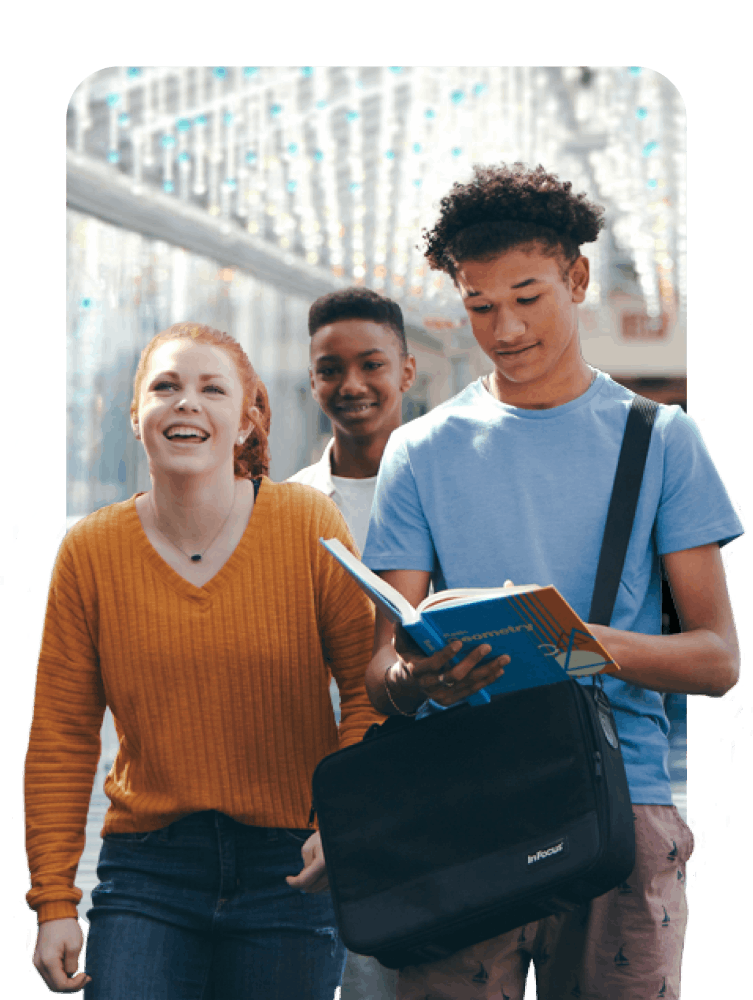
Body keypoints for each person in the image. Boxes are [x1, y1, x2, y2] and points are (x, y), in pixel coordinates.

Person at [355, 162, 745, 1000]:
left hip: (619, 806)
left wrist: (584, 647)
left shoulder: (661, 440)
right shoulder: (421, 452)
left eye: (528, 297)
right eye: (479, 304)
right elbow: (380, 675)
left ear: (576, 279)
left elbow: (717, 661)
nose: (504, 329)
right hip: (464, 806)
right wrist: (416, 676)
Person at [23, 322, 385, 999]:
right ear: (136, 417)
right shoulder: (89, 551)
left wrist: (346, 823)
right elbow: (62, 736)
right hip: (148, 871)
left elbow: (368, 693)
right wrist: (53, 901)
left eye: (211, 389)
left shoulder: (308, 526)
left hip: (293, 865)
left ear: (247, 423)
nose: (186, 402)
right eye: (166, 387)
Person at [288, 287, 417, 999]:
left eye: (371, 364)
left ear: (407, 368)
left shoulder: (448, 486)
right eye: (329, 369)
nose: (351, 385)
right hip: (327, 798)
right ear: (311, 380)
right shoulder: (289, 510)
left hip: (440, 780)